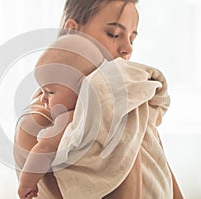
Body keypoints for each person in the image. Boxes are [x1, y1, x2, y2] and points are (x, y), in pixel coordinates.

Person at [14, 0, 184, 198]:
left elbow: (167, 179)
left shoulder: (130, 101)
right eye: (114, 34)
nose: (127, 49)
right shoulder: (38, 122)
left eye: (132, 39)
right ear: (73, 33)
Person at [17, 34, 105, 199]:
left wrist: (26, 183)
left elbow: (44, 149)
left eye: (50, 92)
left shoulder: (73, 118)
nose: (43, 99)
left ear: (83, 87)